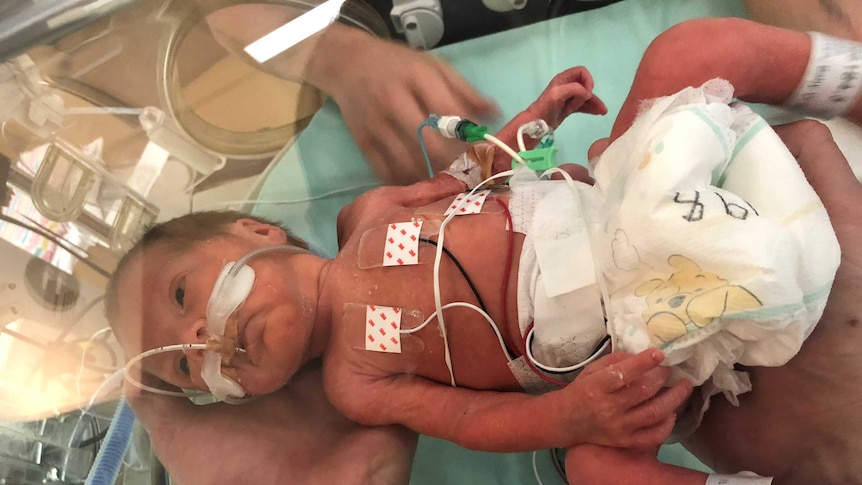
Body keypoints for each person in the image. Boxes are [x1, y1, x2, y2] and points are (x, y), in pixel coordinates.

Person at [120, 16, 862, 485]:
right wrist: (574, 418)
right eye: (187, 366)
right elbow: (474, 422)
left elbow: (469, 175)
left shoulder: (368, 214)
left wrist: (532, 121)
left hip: (612, 201)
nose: (200, 340)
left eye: (183, 296)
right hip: (631, 337)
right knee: (599, 471)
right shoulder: (355, 380)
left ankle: (846, 75)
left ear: (256, 232)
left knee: (693, 48)